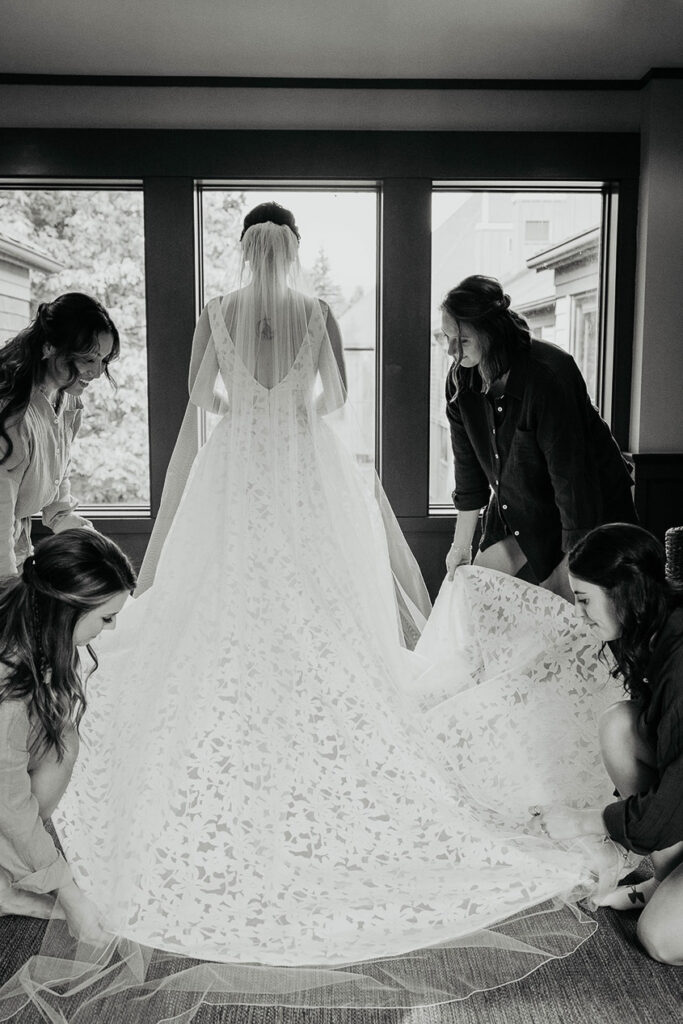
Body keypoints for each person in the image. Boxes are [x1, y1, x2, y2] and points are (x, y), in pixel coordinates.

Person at [2, 205, 629, 1020]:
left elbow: (200, 408)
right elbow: (330, 396)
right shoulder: (318, 314)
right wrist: (289, 403)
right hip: (299, 468)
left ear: (242, 251)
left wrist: (205, 469)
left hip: (235, 471)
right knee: (314, 615)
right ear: (293, 252)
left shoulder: (218, 315)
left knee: (223, 614)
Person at [531, 523, 683, 965]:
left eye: (584, 602)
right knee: (620, 724)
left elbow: (672, 803)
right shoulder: (654, 626)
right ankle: (663, 880)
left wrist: (585, 821)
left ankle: (665, 895)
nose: (580, 616)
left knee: (661, 939)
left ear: (624, 592)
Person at [441, 275, 637, 602]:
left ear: (491, 333)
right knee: (476, 595)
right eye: (446, 338)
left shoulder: (549, 375)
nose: (451, 351)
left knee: (576, 611)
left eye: (461, 341)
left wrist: (565, 579)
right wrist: (460, 547)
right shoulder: (460, 382)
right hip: (522, 503)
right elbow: (469, 474)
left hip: (587, 505)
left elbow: (572, 480)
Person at [0, 529, 136, 944]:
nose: (110, 629)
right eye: (105, 617)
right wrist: (68, 892)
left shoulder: (27, 617)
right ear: (64, 609)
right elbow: (8, 800)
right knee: (55, 749)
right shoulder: (8, 688)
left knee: (60, 737)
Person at [0, 292, 119, 576]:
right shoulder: (12, 415)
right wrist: (9, 588)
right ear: (50, 347)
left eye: (103, 360)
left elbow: (57, 502)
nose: (97, 372)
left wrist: (96, 544)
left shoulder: (67, 403)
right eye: (88, 359)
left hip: (16, 547)